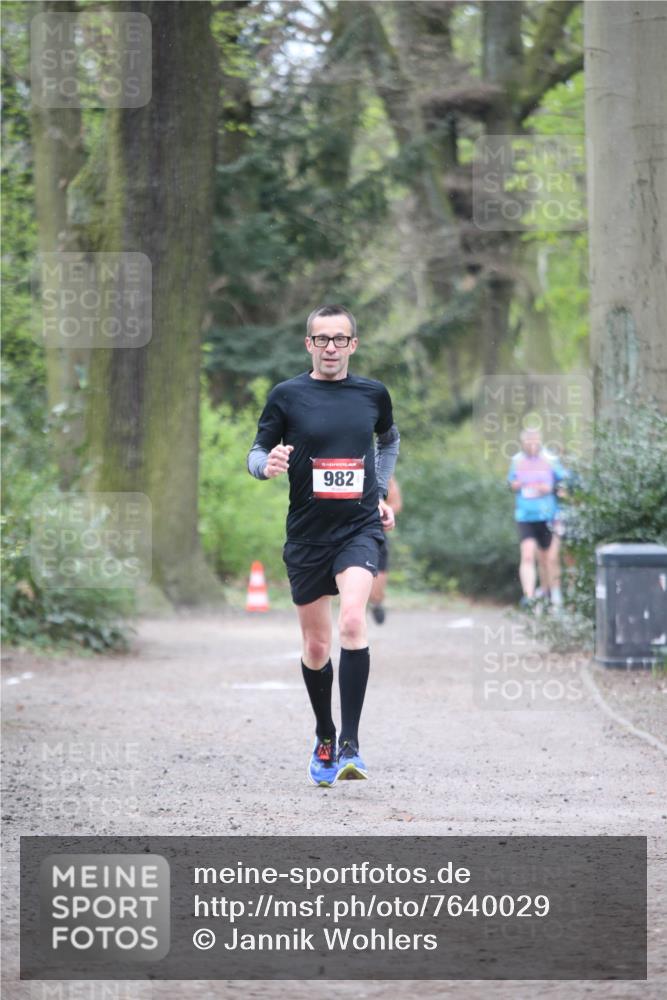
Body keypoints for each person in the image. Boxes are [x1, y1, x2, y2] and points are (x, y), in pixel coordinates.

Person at [247, 305, 399, 786]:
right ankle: (325, 735)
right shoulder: (287, 396)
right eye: (321, 339)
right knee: (316, 645)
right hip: (307, 535)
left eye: (339, 339)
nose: (330, 347)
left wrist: (378, 492)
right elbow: (256, 451)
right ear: (308, 344)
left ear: (353, 344)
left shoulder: (373, 394)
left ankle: (352, 744)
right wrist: (265, 465)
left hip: (359, 528)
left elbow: (389, 442)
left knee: (352, 622)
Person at [507, 428, 568, 609]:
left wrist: (552, 488)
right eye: (528, 441)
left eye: (535, 441)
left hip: (548, 515)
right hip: (525, 515)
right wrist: (515, 485)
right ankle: (530, 597)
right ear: (523, 442)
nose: (532, 444)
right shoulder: (517, 461)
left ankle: (553, 595)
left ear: (540, 441)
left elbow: (564, 481)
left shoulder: (549, 460)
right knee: (527, 555)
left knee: (548, 559)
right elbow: (510, 483)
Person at [369, 476, 402, 624]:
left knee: (376, 590)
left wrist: (378, 511)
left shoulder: (384, 475)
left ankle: (376, 603)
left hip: (375, 531)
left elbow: (396, 504)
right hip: (344, 530)